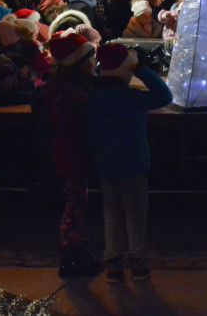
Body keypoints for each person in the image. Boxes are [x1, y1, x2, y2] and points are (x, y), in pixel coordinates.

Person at [86, 43, 173, 283]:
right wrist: (140, 68)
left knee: (111, 212)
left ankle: (113, 261)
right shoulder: (132, 97)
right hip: (133, 162)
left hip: (105, 163)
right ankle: (138, 261)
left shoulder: (93, 98)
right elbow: (165, 95)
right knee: (135, 214)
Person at [42, 30, 101, 278]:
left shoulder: (67, 88)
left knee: (78, 201)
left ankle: (74, 249)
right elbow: (68, 123)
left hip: (71, 152)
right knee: (75, 204)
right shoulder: (69, 94)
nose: (94, 66)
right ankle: (69, 252)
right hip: (71, 154)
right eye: (90, 62)